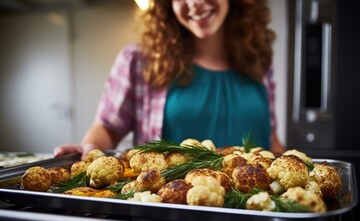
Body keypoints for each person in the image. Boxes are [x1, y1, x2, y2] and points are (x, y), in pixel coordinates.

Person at [54, 0, 285, 159]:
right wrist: (90, 148)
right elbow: (107, 127)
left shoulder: (259, 62)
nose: (194, 3)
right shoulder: (138, 60)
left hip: (255, 211)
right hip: (171, 214)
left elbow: (270, 139)